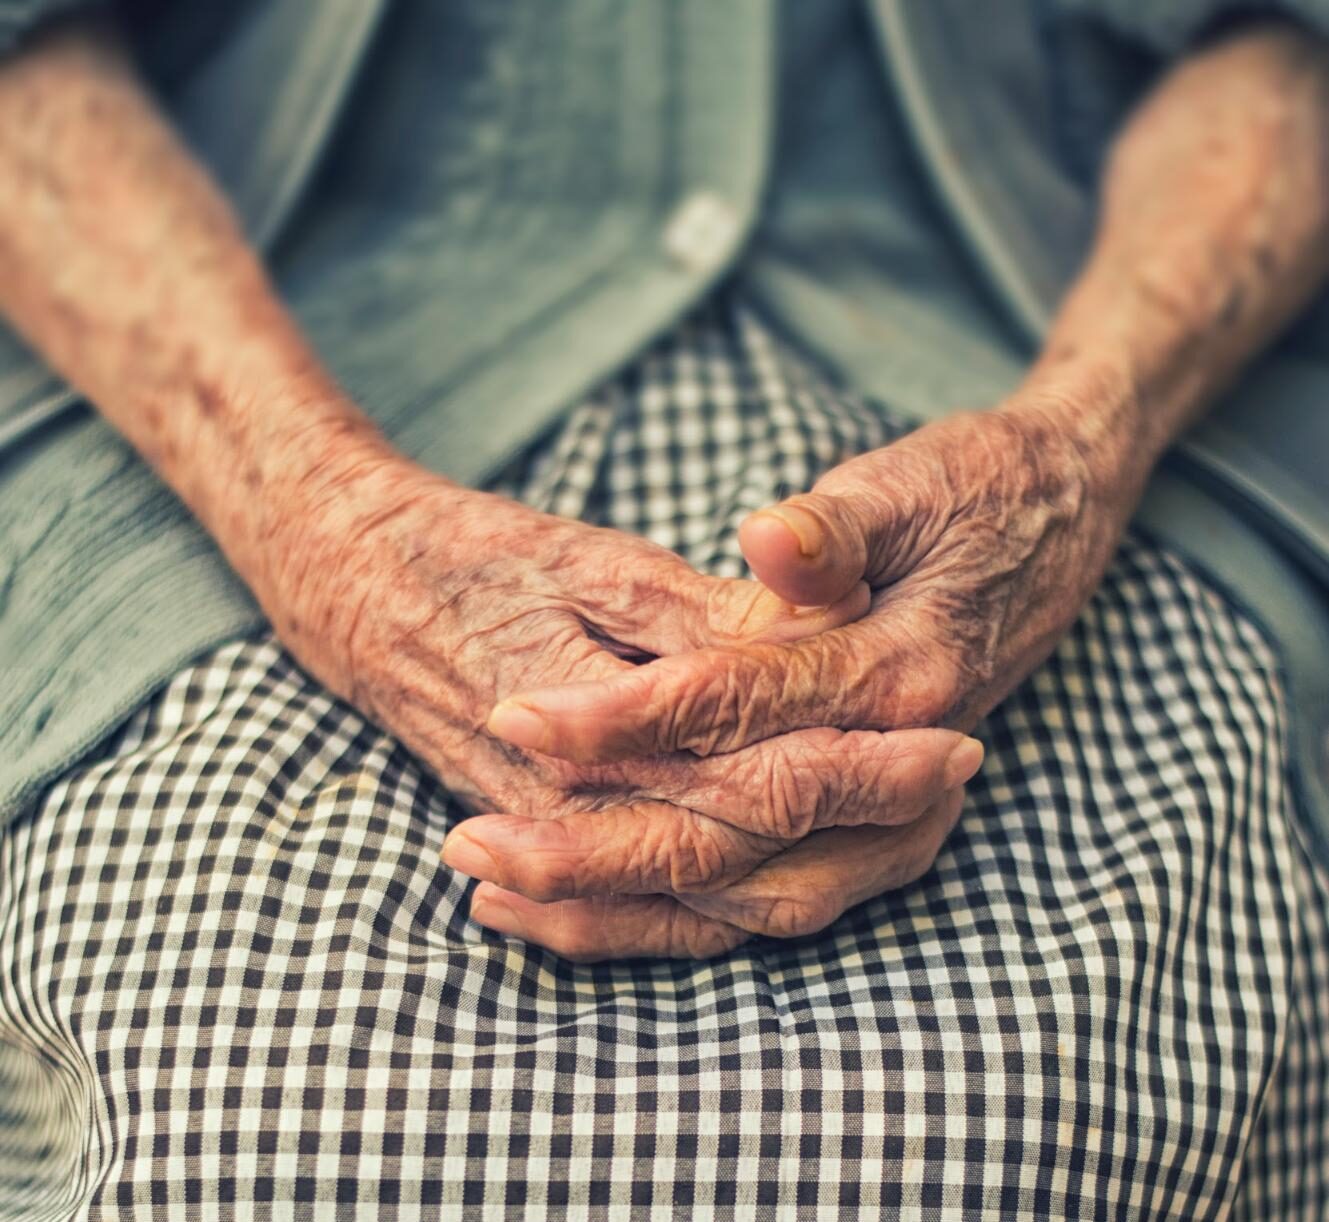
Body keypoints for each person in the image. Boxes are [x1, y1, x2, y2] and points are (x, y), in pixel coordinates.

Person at [0, 0, 1326, 1215]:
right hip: (238, 396)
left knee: (1025, 1120)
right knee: (254, 1117)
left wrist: (1079, 447)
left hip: (1063, 378)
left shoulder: (1064, 459)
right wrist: (318, 518)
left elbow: (1287, 56)